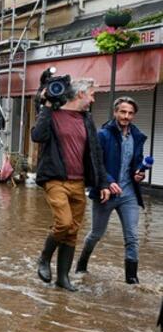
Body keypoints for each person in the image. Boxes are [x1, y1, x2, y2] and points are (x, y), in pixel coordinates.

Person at [32, 78, 110, 291]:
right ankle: (44, 258)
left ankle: (63, 278)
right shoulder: (52, 114)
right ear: (80, 94)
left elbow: (96, 154)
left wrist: (102, 182)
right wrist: (46, 105)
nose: (93, 98)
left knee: (73, 230)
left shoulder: (87, 119)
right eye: (92, 94)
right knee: (64, 223)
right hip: (55, 179)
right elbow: (37, 136)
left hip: (79, 182)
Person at [74, 97, 146, 284]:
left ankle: (132, 279)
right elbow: (95, 164)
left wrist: (139, 173)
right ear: (115, 112)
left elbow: (137, 161)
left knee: (132, 237)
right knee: (96, 234)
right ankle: (82, 264)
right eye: (123, 112)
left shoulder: (138, 136)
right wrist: (108, 181)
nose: (126, 116)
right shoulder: (103, 135)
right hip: (105, 193)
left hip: (128, 194)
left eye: (130, 113)